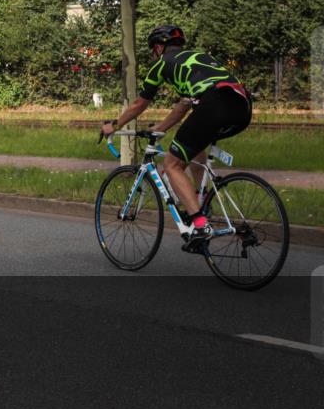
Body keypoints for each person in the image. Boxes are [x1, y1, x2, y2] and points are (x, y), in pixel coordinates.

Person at [100, 24, 252, 248]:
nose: (155, 53)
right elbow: (184, 105)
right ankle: (202, 199)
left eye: (154, 49)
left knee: (171, 164)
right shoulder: (199, 58)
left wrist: (114, 125)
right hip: (242, 105)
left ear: (159, 47)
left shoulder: (162, 64)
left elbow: (140, 103)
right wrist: (160, 127)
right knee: (195, 146)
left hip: (213, 105)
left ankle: (200, 223)